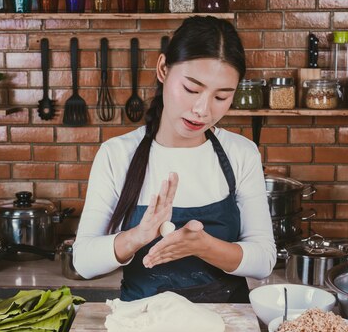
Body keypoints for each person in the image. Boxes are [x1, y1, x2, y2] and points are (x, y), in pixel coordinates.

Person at [73, 16, 276, 303]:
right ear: (163, 69)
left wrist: (202, 246)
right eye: (192, 89)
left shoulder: (241, 153)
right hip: (142, 327)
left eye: (221, 96)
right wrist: (138, 236)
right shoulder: (116, 154)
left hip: (226, 326)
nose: (202, 110)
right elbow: (83, 262)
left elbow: (264, 260)